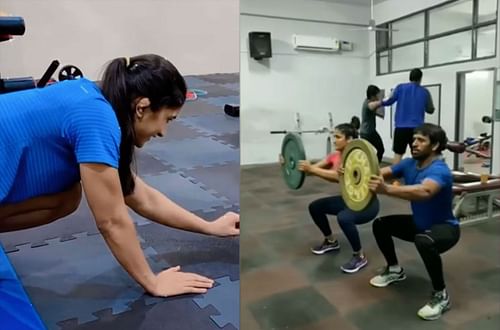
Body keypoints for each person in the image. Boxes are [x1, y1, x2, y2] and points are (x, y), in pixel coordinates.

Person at [0, 54, 240, 298]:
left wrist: (210, 227)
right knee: (70, 193)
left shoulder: (88, 94)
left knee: (68, 195)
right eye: (167, 119)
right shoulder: (96, 119)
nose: (163, 132)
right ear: (142, 107)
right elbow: (111, 221)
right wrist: (153, 282)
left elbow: (139, 195)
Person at [368, 123, 460, 320]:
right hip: (420, 223)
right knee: (380, 224)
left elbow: (425, 191)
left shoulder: (440, 170)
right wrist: (356, 171)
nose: (414, 143)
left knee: (423, 241)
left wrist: (387, 190)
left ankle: (441, 295)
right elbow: (380, 173)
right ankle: (394, 269)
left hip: (445, 229)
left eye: (421, 140)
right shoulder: (410, 163)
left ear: (434, 146)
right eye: (414, 139)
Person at [296, 120, 380, 273]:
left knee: (344, 217)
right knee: (315, 207)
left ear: (349, 140)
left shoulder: (358, 156)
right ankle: (330, 241)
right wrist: (293, 164)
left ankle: (359, 256)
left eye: (338, 137)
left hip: (367, 204)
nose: (334, 140)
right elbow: (311, 170)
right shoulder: (334, 156)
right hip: (349, 200)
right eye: (334, 137)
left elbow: (337, 177)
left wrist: (311, 169)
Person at [369, 68, 435, 164]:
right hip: (417, 129)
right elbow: (430, 110)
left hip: (401, 128)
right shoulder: (425, 92)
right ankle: (417, 176)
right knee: (417, 153)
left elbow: (389, 101)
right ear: (420, 79)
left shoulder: (400, 88)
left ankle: (393, 177)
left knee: (398, 154)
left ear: (410, 77)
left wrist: (378, 103)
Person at [361, 85, 385, 163]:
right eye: (377, 96)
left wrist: (379, 115)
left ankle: (375, 168)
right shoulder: (368, 103)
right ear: (372, 96)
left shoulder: (368, 101)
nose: (378, 97)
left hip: (371, 132)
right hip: (367, 134)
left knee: (381, 149)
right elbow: (372, 106)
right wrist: (386, 100)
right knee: (366, 154)